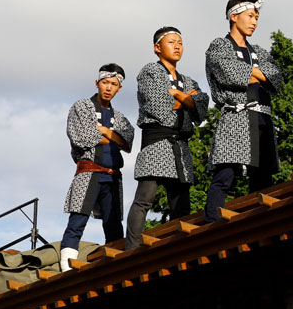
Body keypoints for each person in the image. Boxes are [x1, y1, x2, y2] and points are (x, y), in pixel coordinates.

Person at [125, 26, 208, 250]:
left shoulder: (188, 80)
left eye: (180, 42)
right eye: (171, 42)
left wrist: (177, 96)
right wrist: (186, 100)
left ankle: (182, 248)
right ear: (157, 47)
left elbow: (201, 109)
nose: (178, 46)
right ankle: (131, 248)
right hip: (156, 142)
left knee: (181, 204)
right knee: (144, 199)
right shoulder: (149, 71)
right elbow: (157, 104)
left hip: (180, 145)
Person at [204, 0, 282, 222]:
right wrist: (259, 74)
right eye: (250, 16)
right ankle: (212, 226)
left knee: (263, 180)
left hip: (262, 120)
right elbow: (227, 72)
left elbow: (276, 78)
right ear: (234, 16)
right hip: (235, 116)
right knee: (225, 175)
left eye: (257, 17)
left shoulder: (259, 50)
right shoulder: (219, 45)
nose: (254, 22)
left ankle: (262, 225)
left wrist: (253, 74)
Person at [60, 64, 135, 271]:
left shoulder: (120, 117)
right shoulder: (81, 106)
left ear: (119, 88)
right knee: (78, 219)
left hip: (113, 176)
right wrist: (114, 137)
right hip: (89, 171)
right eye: (105, 82)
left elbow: (128, 141)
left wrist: (105, 132)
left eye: (114, 84)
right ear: (97, 83)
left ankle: (117, 267)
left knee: (113, 226)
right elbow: (82, 138)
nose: (109, 87)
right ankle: (66, 269)